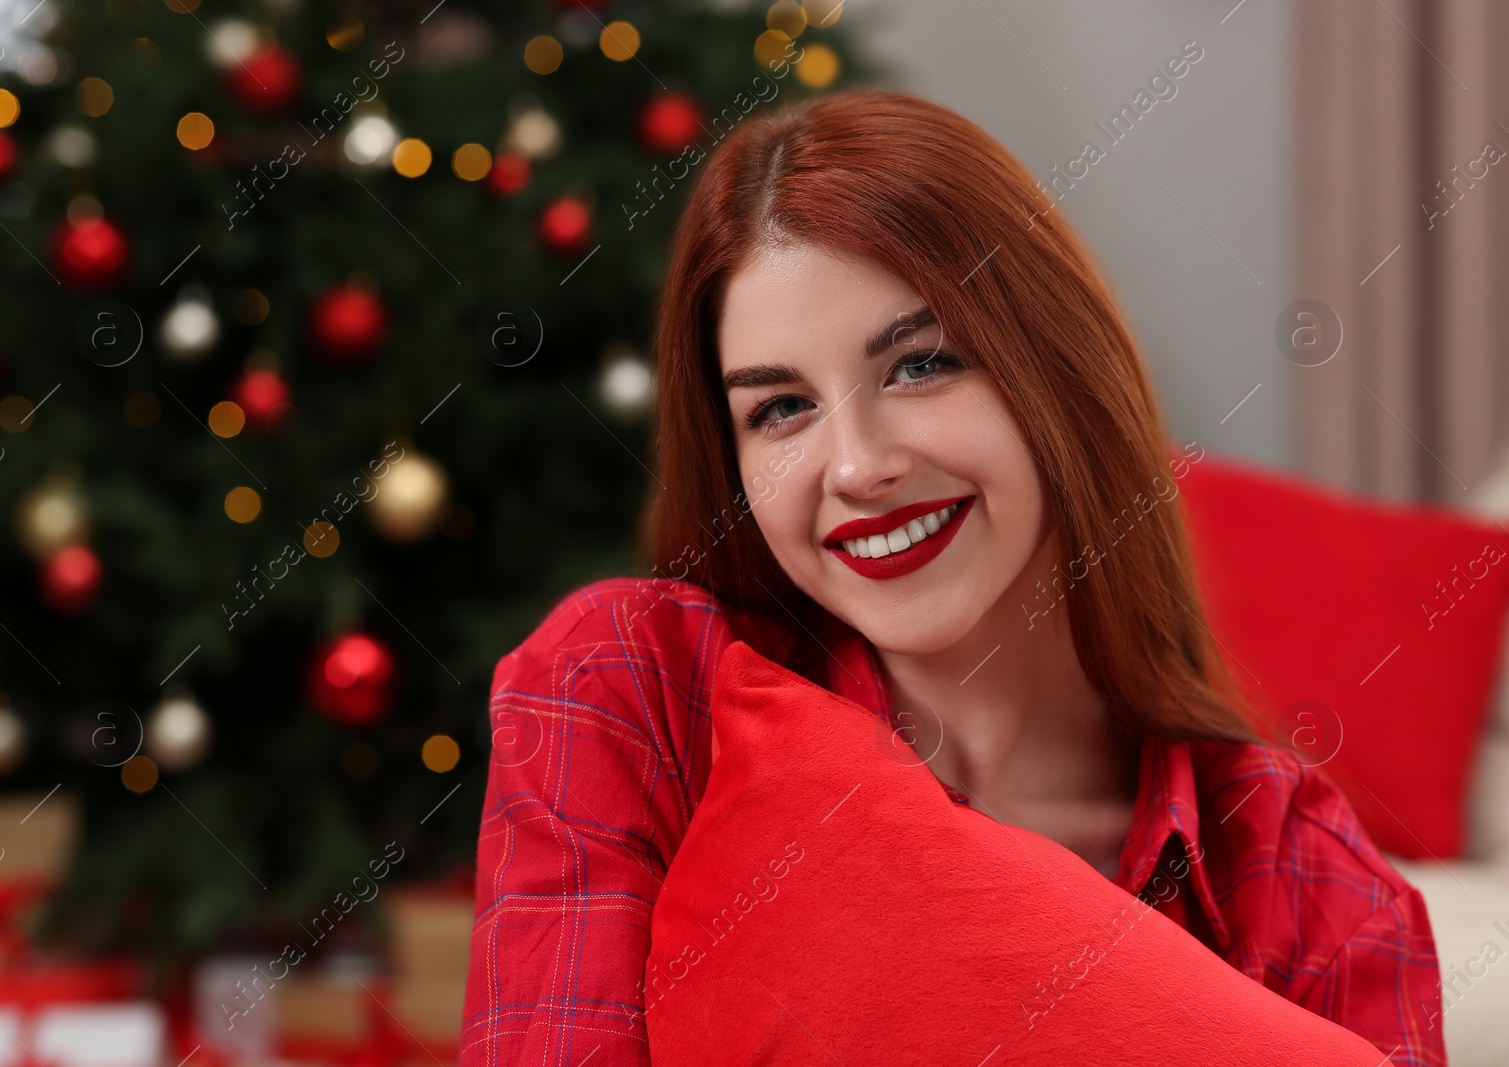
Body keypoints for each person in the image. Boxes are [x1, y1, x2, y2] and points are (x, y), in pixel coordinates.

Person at [459, 88, 1444, 1066]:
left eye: (920, 364)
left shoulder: (1307, 881)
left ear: (1055, 365)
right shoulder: (636, 690)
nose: (856, 466)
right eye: (781, 408)